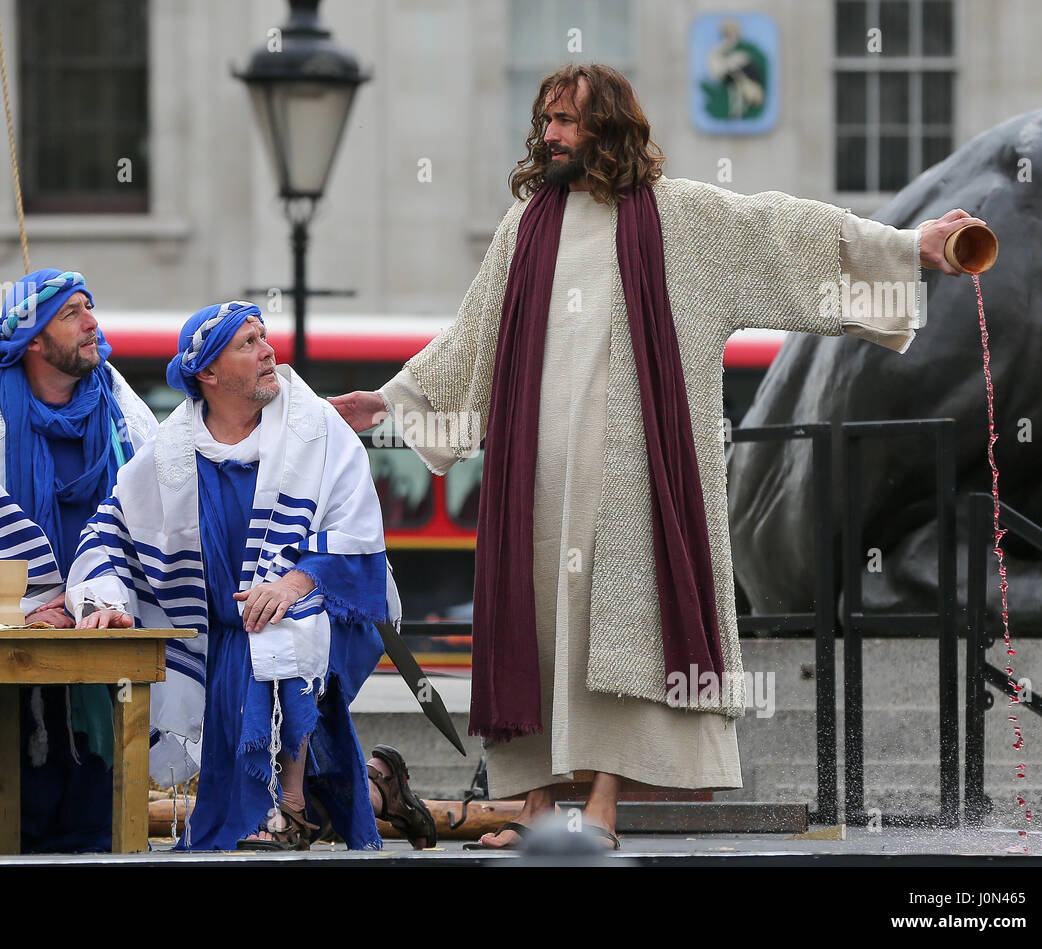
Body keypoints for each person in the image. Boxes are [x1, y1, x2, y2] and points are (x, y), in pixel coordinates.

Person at [329, 64, 986, 850]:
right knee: (537, 635)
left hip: (639, 478)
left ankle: (603, 807)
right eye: (546, 119)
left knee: (624, 636)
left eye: (567, 120)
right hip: (534, 477)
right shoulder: (524, 228)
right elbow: (472, 340)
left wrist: (915, 248)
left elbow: (788, 235)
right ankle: (535, 806)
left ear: (608, 126)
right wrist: (391, 401)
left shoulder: (680, 220)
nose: (551, 135)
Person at [68, 301, 436, 851]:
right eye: (248, 343)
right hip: (218, 628)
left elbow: (357, 535)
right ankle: (374, 787)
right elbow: (109, 532)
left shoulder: (320, 431)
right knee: (252, 649)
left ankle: (286, 808)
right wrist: (100, 600)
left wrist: (292, 585)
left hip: (316, 610)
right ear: (208, 374)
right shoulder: (170, 451)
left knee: (279, 625)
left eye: (265, 337)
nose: (268, 352)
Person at [0, 269, 157, 852]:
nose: (93, 324)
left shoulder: (123, 410)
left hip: (107, 626)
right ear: (31, 338)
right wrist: (22, 607)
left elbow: (154, 514)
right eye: (73, 313)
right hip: (12, 642)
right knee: (11, 825)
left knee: (98, 826)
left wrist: (94, 597)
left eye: (90, 308)